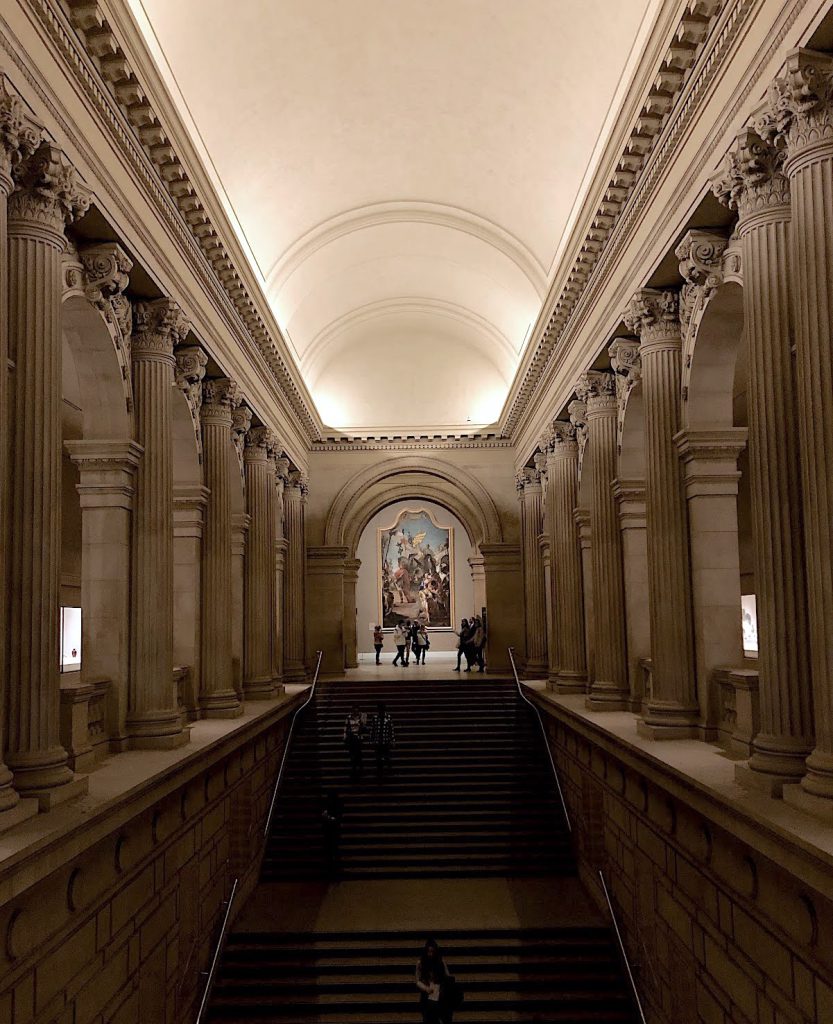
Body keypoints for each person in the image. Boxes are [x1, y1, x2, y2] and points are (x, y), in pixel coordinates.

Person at [415, 938, 452, 1023]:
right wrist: (425, 988)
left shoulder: (440, 962)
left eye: (432, 952)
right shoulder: (420, 963)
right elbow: (417, 980)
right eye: (429, 952)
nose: (430, 954)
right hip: (427, 994)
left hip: (439, 994)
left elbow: (448, 977)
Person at [369, 701, 396, 775]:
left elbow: (391, 729)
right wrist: (371, 740)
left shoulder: (388, 717)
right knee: (379, 758)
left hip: (385, 740)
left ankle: (387, 770)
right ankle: (380, 771)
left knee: (386, 756)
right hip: (378, 741)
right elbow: (373, 730)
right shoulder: (375, 718)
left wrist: (392, 740)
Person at [321, 791, 343, 878]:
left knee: (330, 850)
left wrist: (328, 818)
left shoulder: (327, 808)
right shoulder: (337, 807)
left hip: (330, 832)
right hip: (334, 832)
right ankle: (336, 867)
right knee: (334, 850)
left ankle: (331, 868)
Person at [343, 704, 365, 777]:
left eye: (357, 710)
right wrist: (345, 737)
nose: (356, 711)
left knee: (358, 753)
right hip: (352, 738)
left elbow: (364, 726)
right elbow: (346, 728)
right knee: (353, 754)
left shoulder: (361, 717)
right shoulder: (348, 718)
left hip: (358, 738)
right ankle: (355, 768)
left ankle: (358, 768)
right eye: (354, 710)